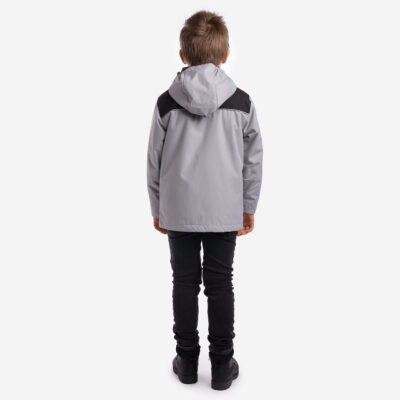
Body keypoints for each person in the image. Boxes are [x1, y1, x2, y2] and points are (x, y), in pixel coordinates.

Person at [146, 10, 263, 390]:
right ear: (226, 54)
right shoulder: (241, 102)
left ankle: (186, 360)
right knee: (220, 283)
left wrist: (158, 208)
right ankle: (222, 364)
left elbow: (153, 160)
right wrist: (248, 206)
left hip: (179, 209)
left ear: (182, 54)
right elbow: (253, 160)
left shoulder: (166, 103)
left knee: (183, 282)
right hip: (224, 208)